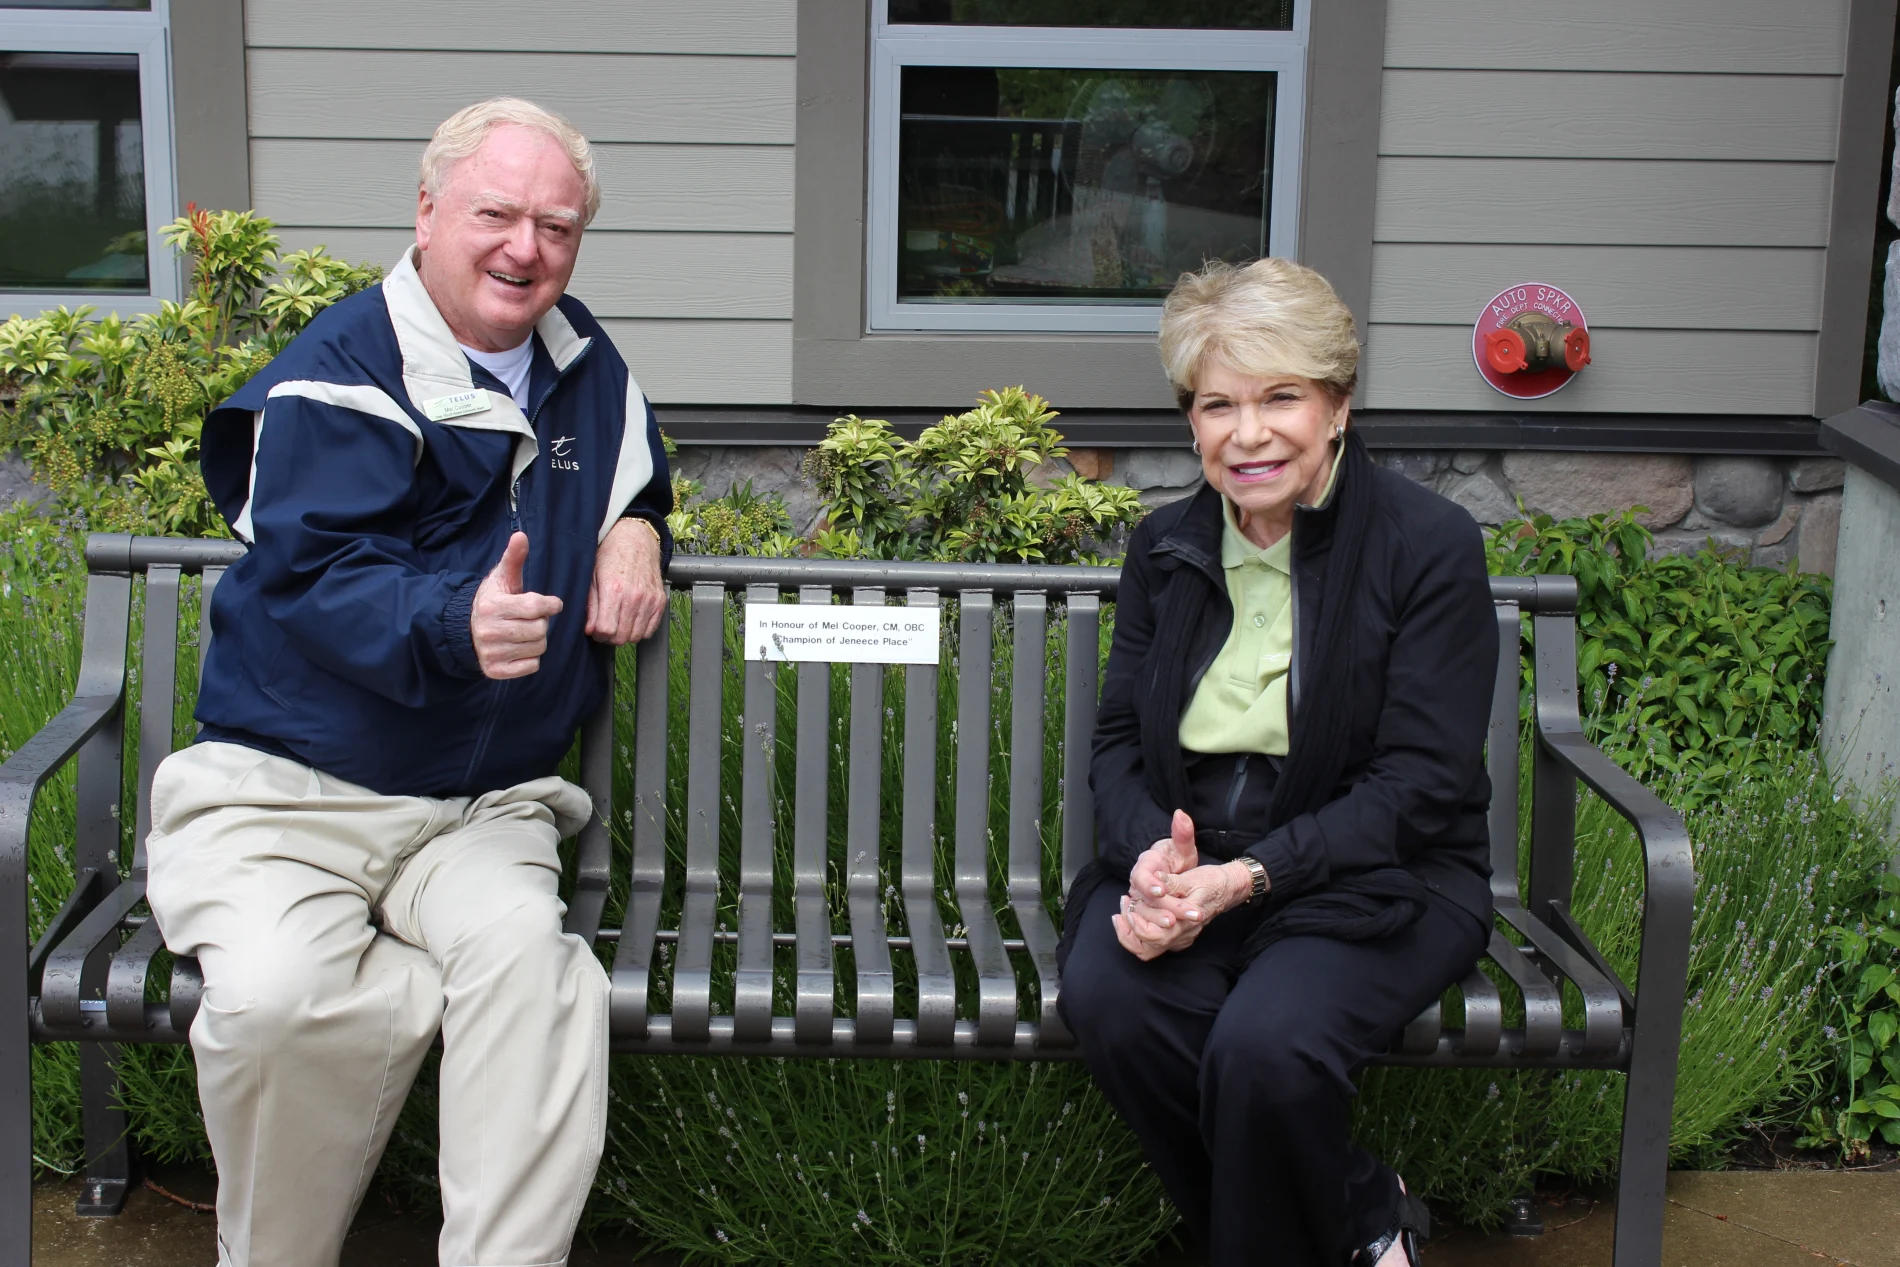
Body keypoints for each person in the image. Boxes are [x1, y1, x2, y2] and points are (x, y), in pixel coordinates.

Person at [143, 97, 672, 1267]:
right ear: (426, 210)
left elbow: (631, 470)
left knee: (541, 978)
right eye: (496, 213)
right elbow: (318, 573)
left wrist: (638, 532)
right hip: (289, 796)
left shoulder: (581, 359)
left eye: (556, 225)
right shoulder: (333, 377)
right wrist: (453, 619)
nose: (525, 249)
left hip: (481, 810)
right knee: (282, 1001)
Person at [1057, 258, 1498, 1267]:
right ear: (1191, 421)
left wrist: (1253, 875)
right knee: (1114, 1003)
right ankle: (1354, 1212)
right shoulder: (1167, 545)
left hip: (1381, 869)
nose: (1247, 434)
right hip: (1196, 856)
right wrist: (1147, 862)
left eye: (1280, 398)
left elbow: (1421, 783)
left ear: (1338, 406)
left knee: (1265, 1047)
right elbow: (1120, 740)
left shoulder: (1426, 545)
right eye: (1218, 404)